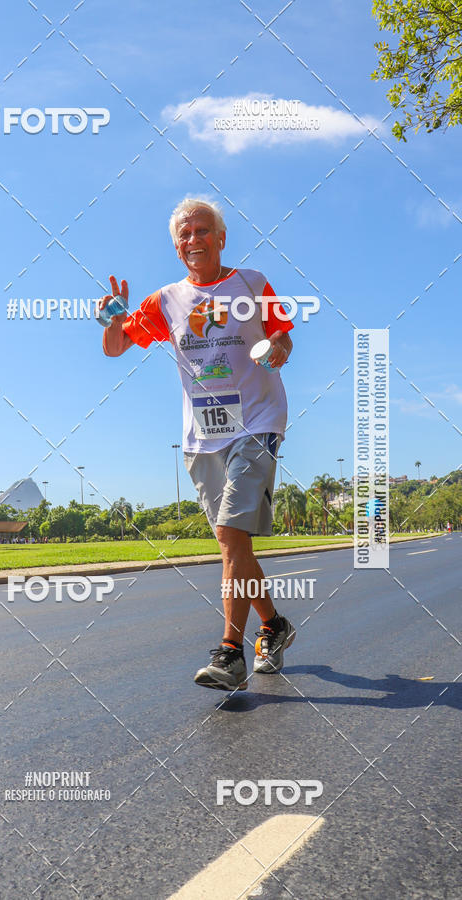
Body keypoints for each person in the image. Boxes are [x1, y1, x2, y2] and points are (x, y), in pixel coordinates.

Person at [100, 197, 296, 691]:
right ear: (176, 246)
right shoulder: (165, 300)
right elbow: (117, 347)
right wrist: (112, 321)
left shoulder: (252, 284)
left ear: (221, 237)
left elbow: (283, 339)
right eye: (184, 235)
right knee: (234, 544)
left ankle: (230, 651)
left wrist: (277, 348)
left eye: (202, 231)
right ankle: (273, 625)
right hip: (203, 436)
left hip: (257, 422)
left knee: (231, 536)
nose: (194, 241)